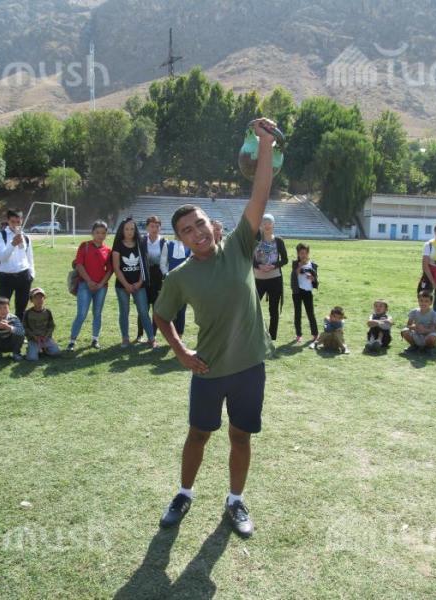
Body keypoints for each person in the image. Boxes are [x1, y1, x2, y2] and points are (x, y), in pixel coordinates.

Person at [153, 118, 276, 539]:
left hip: (249, 368)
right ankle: (183, 493)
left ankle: (235, 501)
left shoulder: (239, 245)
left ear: (211, 223)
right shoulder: (180, 276)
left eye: (199, 224)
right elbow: (161, 316)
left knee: (241, 437)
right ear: (181, 239)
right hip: (208, 369)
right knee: (199, 435)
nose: (196, 233)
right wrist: (181, 352)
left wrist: (264, 144)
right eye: (186, 231)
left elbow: (260, 193)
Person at [67, 221, 112, 351]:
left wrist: (101, 284)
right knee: (81, 314)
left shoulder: (108, 250)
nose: (100, 235)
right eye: (97, 232)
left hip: (101, 287)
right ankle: (72, 341)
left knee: (97, 313)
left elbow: (110, 270)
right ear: (92, 233)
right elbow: (79, 265)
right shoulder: (84, 246)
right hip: (85, 285)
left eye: (103, 233)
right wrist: (89, 281)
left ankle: (95, 339)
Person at [112, 217, 157, 349]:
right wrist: (126, 285)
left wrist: (139, 282)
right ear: (122, 230)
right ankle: (125, 338)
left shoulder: (140, 243)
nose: (129, 232)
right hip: (122, 286)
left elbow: (144, 264)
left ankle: (151, 339)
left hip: (139, 285)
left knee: (143, 312)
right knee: (124, 312)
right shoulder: (118, 245)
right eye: (127, 229)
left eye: (132, 229)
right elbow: (116, 267)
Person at [0, 209, 34, 322]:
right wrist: (12, 244)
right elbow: (3, 258)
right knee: (1, 308)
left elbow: (30, 257)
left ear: (21, 220)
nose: (16, 224)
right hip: (6, 277)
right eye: (12, 222)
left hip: (24, 276)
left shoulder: (25, 236)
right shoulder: (1, 236)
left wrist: (31, 275)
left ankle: (18, 331)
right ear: (8, 221)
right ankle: (1, 330)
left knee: (21, 308)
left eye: (18, 222)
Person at [253, 213, 288, 341]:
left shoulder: (278, 241)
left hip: (275, 279)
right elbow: (248, 258)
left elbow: (285, 260)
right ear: (260, 225)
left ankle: (272, 337)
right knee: (253, 308)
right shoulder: (254, 240)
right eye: (264, 223)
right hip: (258, 280)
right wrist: (258, 265)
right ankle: (254, 333)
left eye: (269, 223)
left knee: (273, 310)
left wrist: (274, 266)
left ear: (273, 225)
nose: (267, 225)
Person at [136, 216, 166, 342]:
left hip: (158, 278)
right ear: (147, 227)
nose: (155, 229)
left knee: (156, 308)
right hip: (144, 277)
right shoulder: (142, 241)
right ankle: (140, 334)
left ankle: (152, 335)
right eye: (152, 226)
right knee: (143, 308)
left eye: (157, 226)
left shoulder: (164, 242)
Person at [160, 236, 191, 338]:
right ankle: (172, 336)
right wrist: (167, 275)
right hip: (170, 282)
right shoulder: (168, 244)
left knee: (182, 310)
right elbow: (163, 263)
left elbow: (192, 263)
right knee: (171, 310)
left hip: (184, 283)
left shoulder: (190, 244)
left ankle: (180, 335)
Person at [291, 243, 319, 343]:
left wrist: (312, 278)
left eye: (305, 253)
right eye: (301, 253)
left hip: (308, 292)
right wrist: (300, 266)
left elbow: (316, 279)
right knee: (297, 313)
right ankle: (298, 335)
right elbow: (295, 274)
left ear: (308, 253)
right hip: (297, 292)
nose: (303, 255)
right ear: (298, 254)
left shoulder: (312, 265)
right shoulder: (295, 263)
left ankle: (315, 334)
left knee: (310, 313)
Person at [23, 287, 61, 361]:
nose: (39, 300)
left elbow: (51, 326)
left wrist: (46, 336)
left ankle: (44, 349)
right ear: (31, 300)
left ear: (44, 298)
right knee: (32, 358)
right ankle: (31, 349)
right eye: (36, 298)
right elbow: (25, 327)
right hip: (33, 339)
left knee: (56, 353)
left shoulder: (47, 312)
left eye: (41, 297)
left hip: (46, 338)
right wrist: (34, 336)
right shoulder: (27, 313)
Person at [0, 296, 25, 361]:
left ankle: (16, 353)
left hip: (11, 343)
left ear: (9, 308)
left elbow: (22, 332)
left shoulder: (14, 318)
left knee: (19, 333)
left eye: (5, 308)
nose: (3, 310)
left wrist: (9, 327)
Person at [421, 222, 436, 315]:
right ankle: (423, 319)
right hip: (429, 274)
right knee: (424, 298)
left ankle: (435, 321)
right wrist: (433, 283)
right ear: (435, 231)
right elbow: (425, 265)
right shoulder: (429, 245)